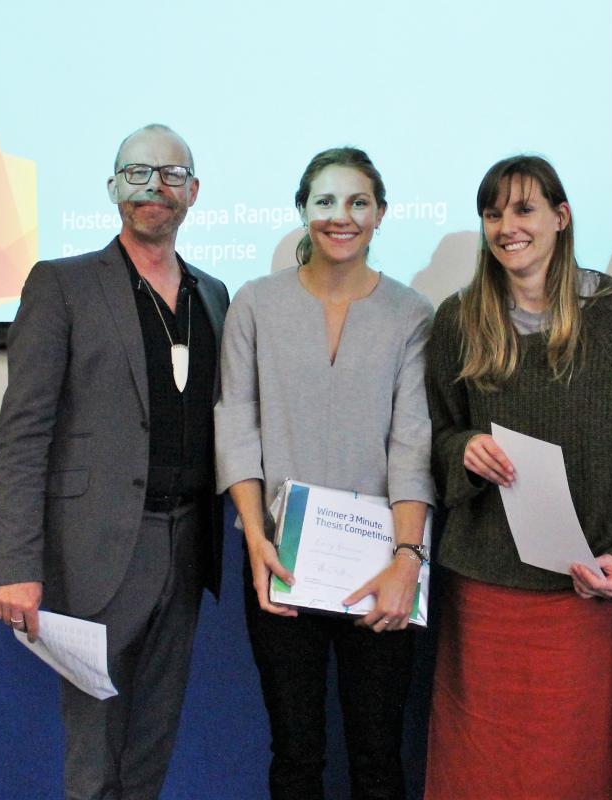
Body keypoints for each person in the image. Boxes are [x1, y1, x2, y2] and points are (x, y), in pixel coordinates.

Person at [0, 123, 230, 799]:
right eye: (138, 173)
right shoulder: (62, 285)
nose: (156, 187)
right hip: (92, 551)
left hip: (186, 550)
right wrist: (16, 565)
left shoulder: (213, 296)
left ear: (194, 192)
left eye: (172, 174)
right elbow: (23, 433)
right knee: (94, 756)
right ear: (113, 189)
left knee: (153, 744)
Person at [423, 155, 612, 799]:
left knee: (572, 766)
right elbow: (439, 436)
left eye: (524, 209)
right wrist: (464, 449)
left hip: (584, 589)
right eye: (492, 213)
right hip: (488, 594)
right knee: (485, 768)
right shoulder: (459, 318)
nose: (507, 227)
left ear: (561, 217)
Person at [214, 147, 434, 800]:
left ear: (382, 214)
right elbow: (237, 425)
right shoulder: (253, 304)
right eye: (326, 201)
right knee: (296, 753)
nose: (342, 216)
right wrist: (255, 538)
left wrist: (407, 559)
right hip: (278, 557)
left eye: (358, 202)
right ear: (302, 212)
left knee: (377, 756)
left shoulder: (412, 312)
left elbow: (412, 443)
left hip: (381, 569)